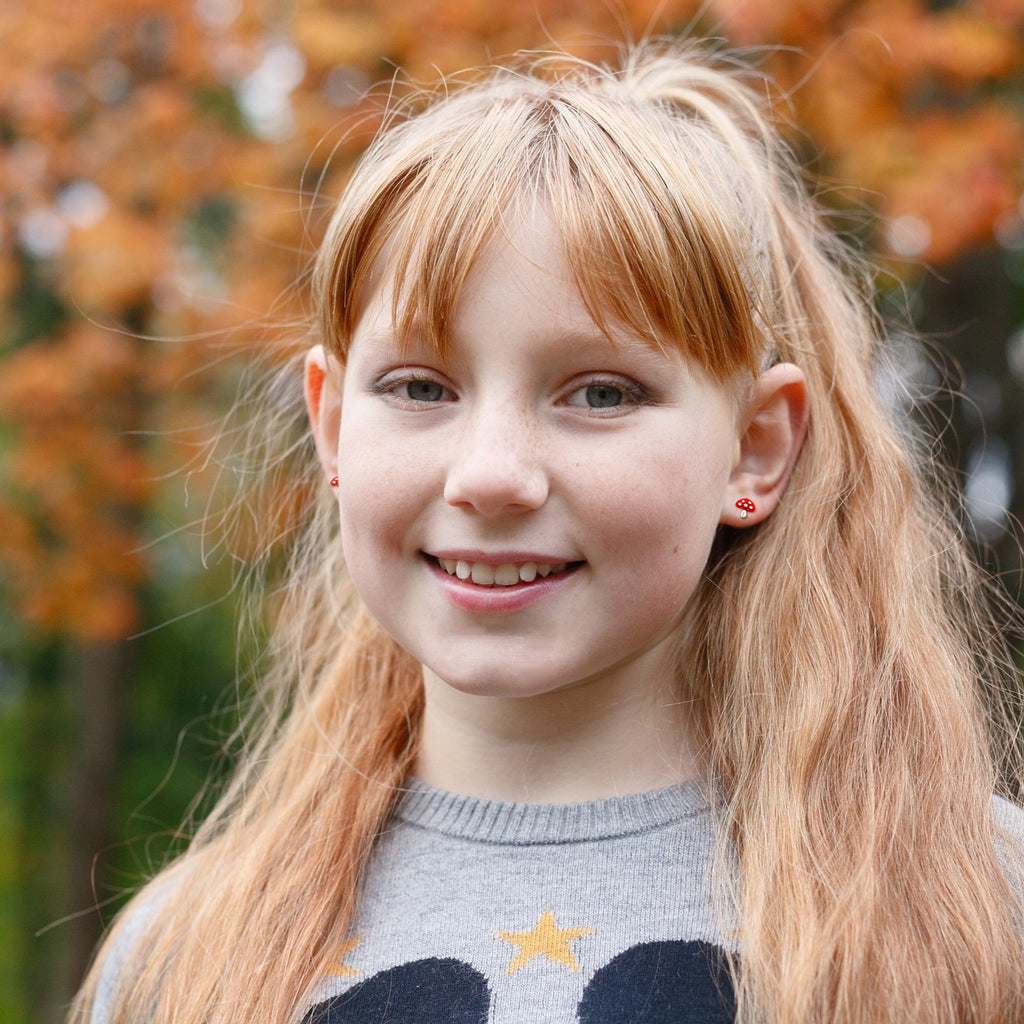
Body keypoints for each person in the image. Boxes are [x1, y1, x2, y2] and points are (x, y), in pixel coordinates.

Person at [69, 39, 1024, 1024]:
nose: (490, 474)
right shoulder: (188, 957)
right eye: (418, 386)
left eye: (600, 392)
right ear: (332, 423)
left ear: (754, 448)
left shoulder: (975, 915)